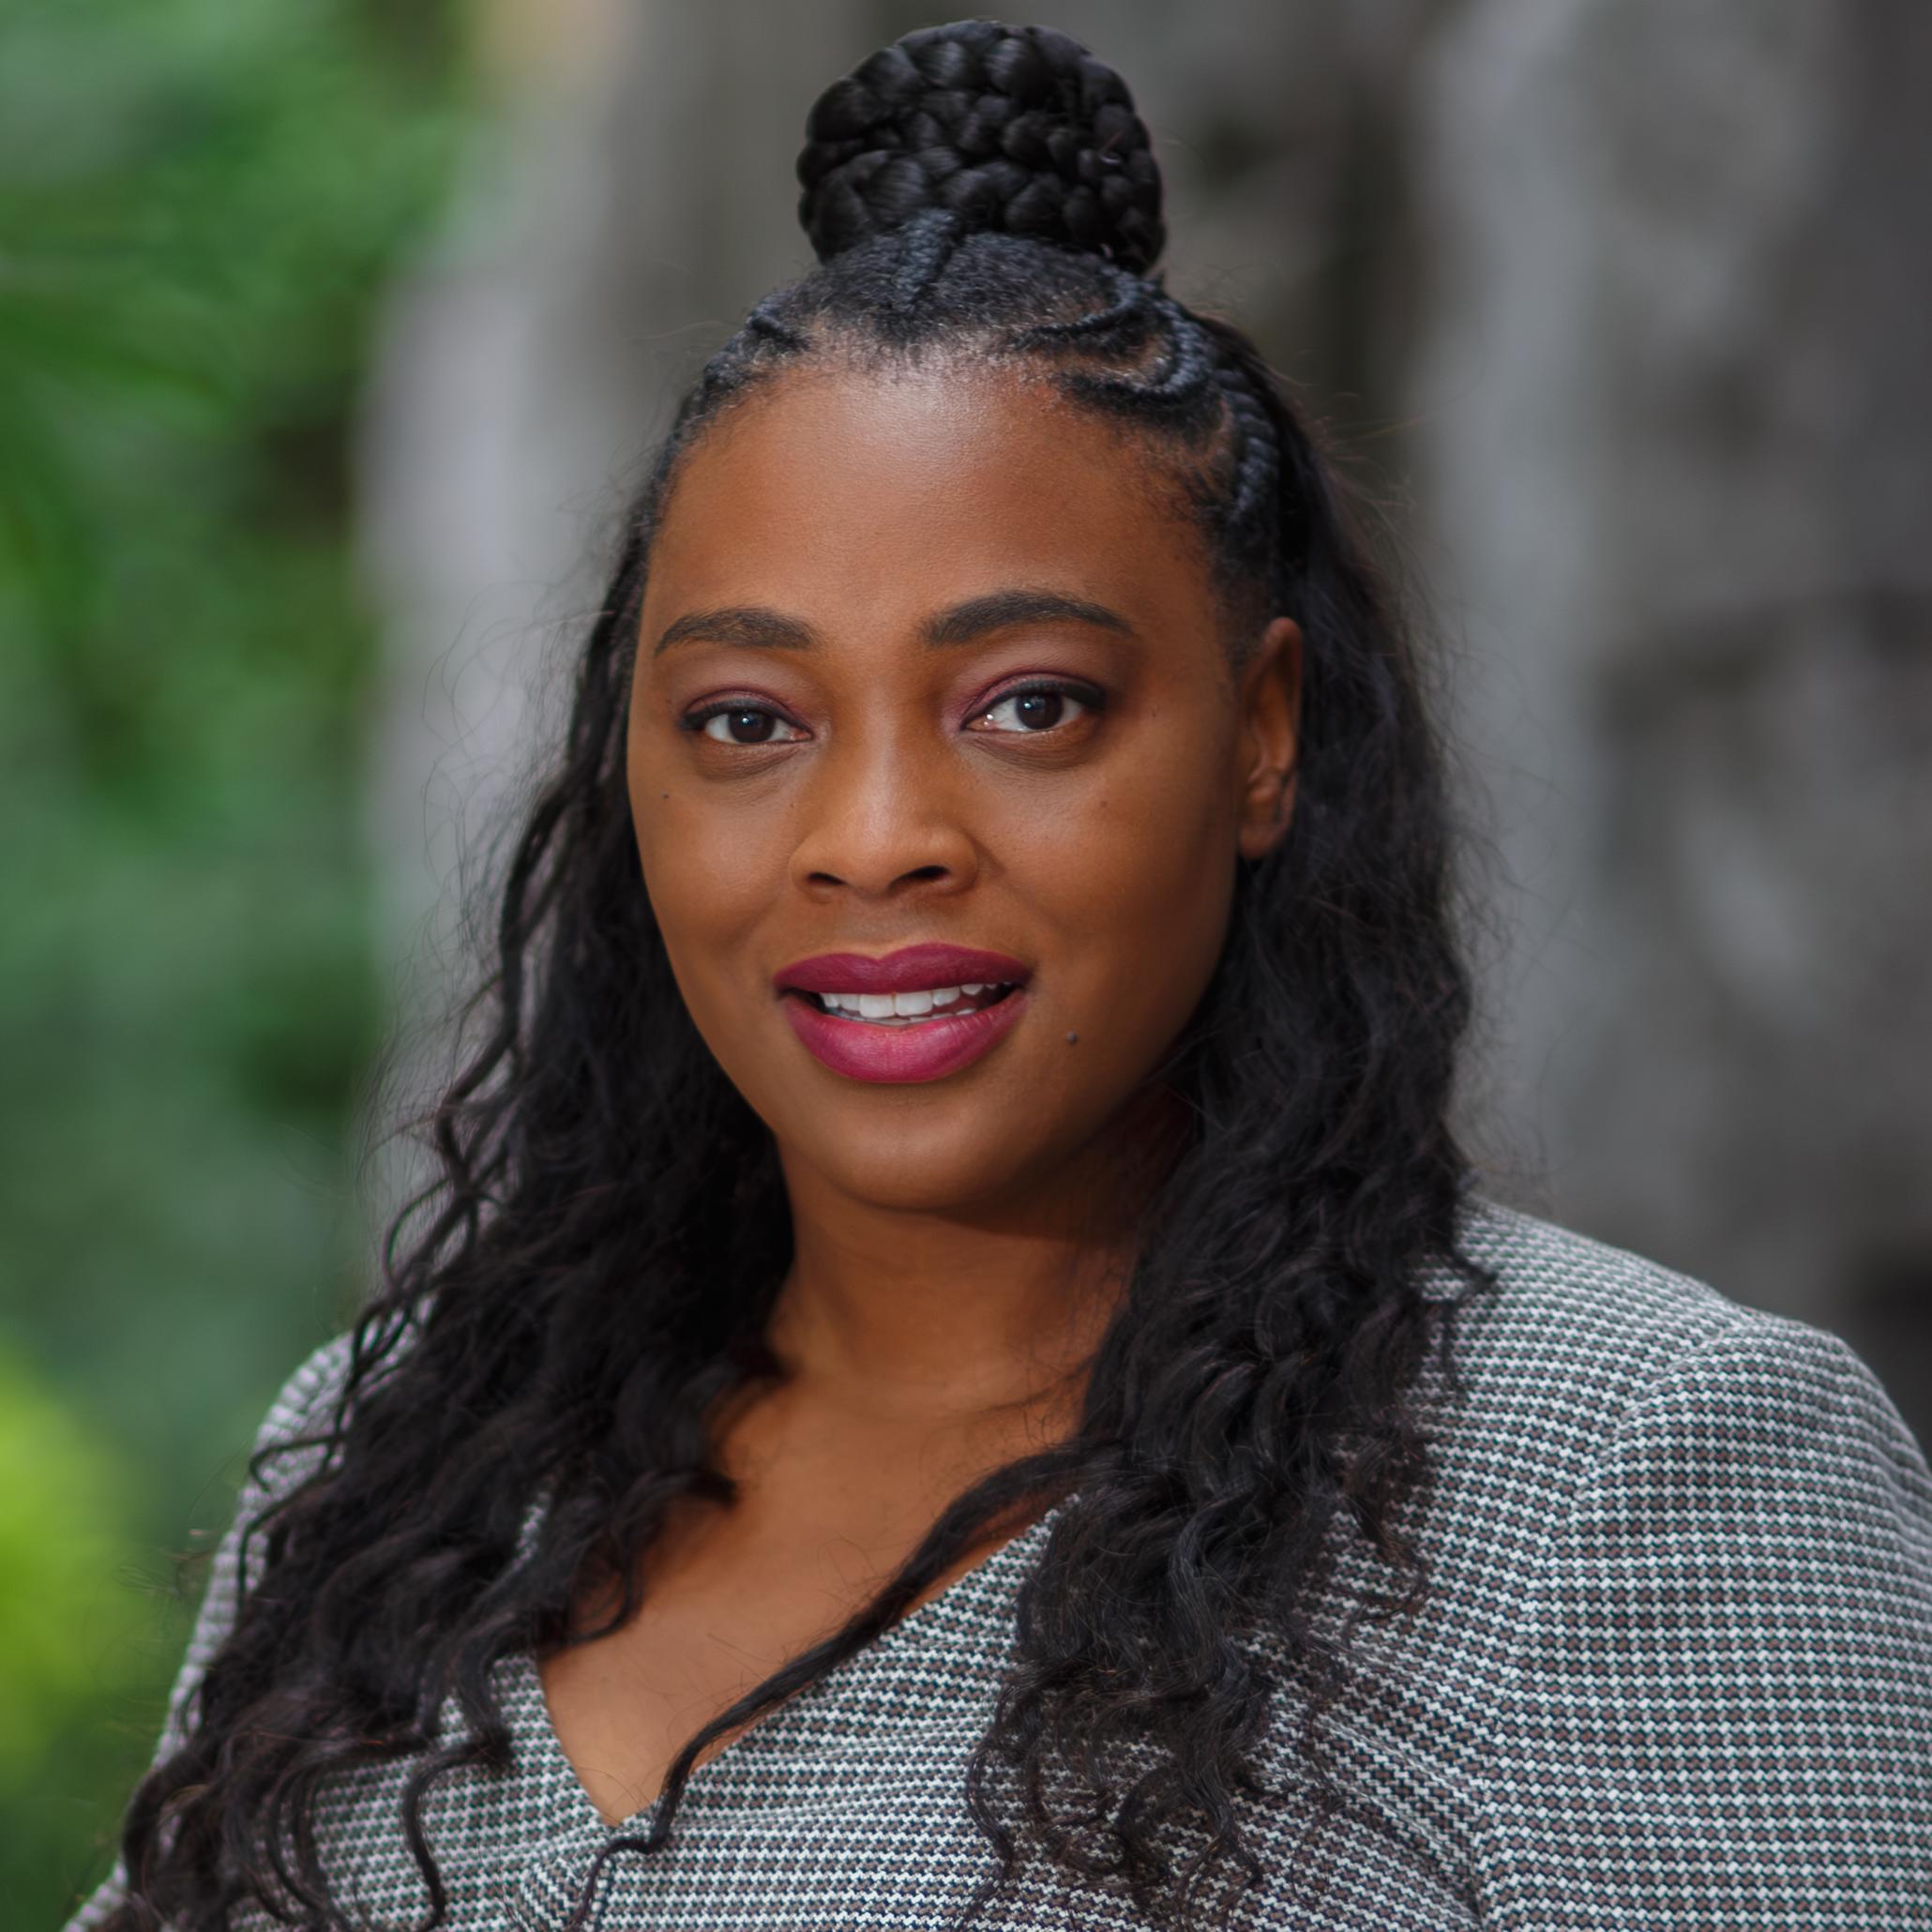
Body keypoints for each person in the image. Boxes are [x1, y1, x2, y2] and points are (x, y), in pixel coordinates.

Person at [68, 20, 1932, 1932]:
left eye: (1029, 705)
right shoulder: (415, 1465)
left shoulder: (1638, 1478)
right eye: (746, 719)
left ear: (1263, 734)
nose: (873, 836)